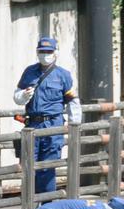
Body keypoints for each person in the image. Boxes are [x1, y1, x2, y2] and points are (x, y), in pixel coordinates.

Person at [13, 37, 82, 195]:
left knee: (48, 167)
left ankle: (46, 206)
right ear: (37, 52)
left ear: (55, 53)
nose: (45, 54)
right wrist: (23, 95)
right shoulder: (29, 72)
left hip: (53, 126)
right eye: (42, 51)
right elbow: (17, 96)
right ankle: (30, 205)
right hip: (32, 125)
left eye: (48, 51)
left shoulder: (63, 75)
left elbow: (73, 101)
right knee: (29, 166)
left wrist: (74, 126)